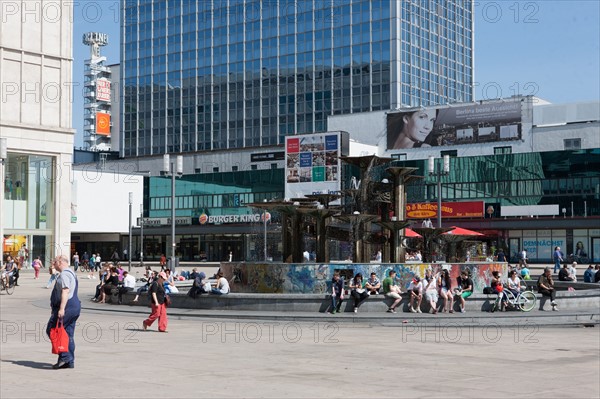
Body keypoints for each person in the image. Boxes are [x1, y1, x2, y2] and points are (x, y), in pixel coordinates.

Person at [46, 255, 81, 369]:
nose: (53, 264)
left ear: (60, 262)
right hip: (74, 306)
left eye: (54, 262)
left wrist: (61, 309)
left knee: (53, 330)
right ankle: (69, 361)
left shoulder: (65, 274)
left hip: (67, 307)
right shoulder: (71, 273)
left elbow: (65, 291)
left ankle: (65, 357)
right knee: (67, 333)